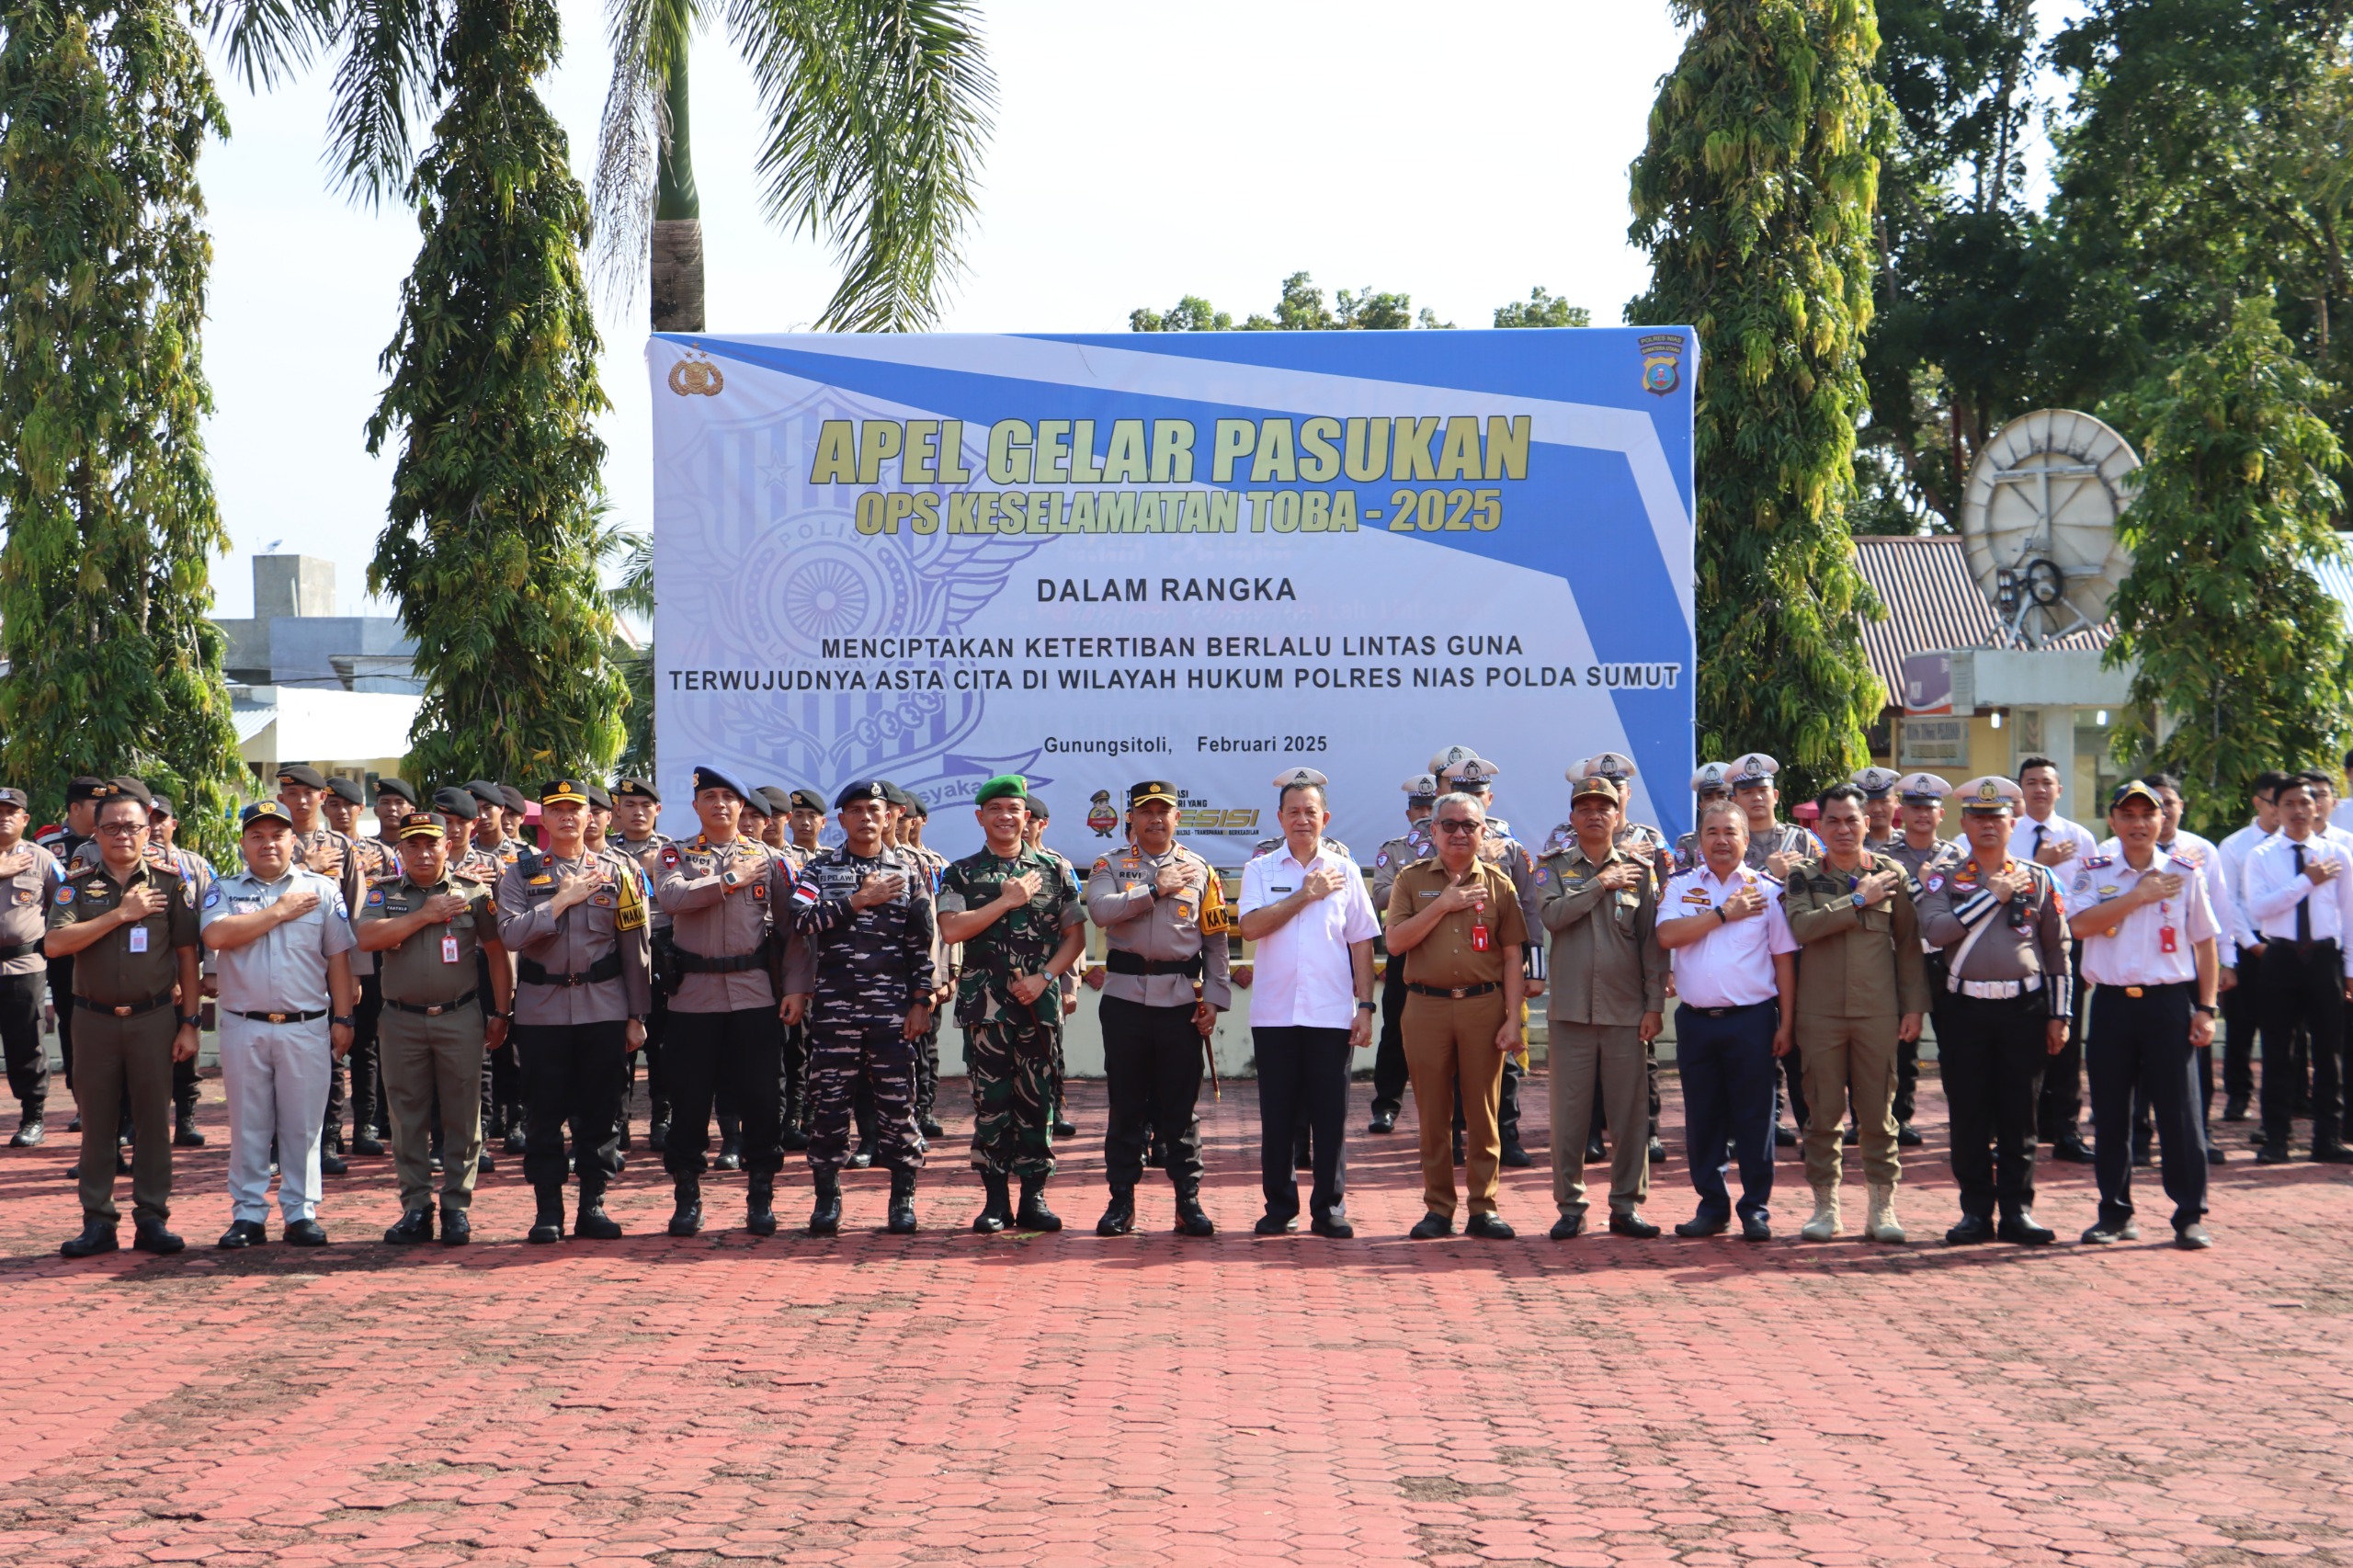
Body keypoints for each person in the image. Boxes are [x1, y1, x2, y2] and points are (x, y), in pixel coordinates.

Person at [48, 780, 202, 1256]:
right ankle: (98, 1221)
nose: (122, 835)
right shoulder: (76, 887)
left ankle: (152, 1218)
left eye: (132, 826)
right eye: (111, 827)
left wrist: (190, 1023)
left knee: (155, 1122)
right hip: (92, 1019)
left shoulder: (170, 884)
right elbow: (55, 945)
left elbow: (186, 957)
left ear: (147, 830)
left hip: (153, 1018)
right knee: (97, 1123)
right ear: (96, 834)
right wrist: (120, 914)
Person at [496, 779, 654, 1244]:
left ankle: (593, 1206)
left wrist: (637, 1014)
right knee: (543, 1113)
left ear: (592, 817)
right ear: (542, 819)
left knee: (600, 1110)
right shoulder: (520, 875)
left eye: (576, 809)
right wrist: (561, 900)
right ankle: (548, 1210)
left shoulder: (618, 872)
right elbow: (508, 935)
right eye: (557, 809)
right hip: (541, 1010)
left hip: (603, 1006)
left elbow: (635, 947)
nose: (567, 817)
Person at [1915, 778, 2069, 1245]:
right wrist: (1992, 895)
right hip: (1964, 1009)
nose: (1987, 825)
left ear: (2012, 823)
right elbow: (1935, 932)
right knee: (1969, 1113)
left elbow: (2058, 951)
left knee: (2020, 1115)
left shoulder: (2039, 878)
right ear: (1963, 823)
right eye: (1978, 817)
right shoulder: (1943, 877)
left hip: (2024, 1008)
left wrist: (2059, 1016)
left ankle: (2018, 1211)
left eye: (1996, 817)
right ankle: (1976, 1212)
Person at [2068, 780, 2220, 1248]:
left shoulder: (2184, 871)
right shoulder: (2093, 871)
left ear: (2162, 821)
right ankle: (2115, 1213)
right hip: (2113, 1003)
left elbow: (2205, 941)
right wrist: (2138, 895)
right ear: (2112, 821)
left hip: (2169, 1003)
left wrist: (2207, 1007)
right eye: (2128, 815)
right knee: (2112, 1113)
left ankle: (2189, 1214)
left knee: (2181, 1114)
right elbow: (2078, 925)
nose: (2138, 824)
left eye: (2147, 815)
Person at [201, 801, 358, 1248]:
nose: (268, 843)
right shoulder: (225, 890)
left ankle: (301, 1211)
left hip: (306, 1024)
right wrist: (280, 911)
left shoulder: (323, 890)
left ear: (294, 841)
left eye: (277, 835)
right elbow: (217, 936)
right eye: (258, 836)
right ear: (243, 844)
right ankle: (248, 1214)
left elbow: (339, 960)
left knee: (303, 1125)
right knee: (249, 1123)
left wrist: (344, 1018)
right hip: (243, 1023)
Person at [784, 780, 938, 1233]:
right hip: (835, 1009)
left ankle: (902, 1199)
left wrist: (920, 1001)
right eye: (856, 810)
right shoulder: (820, 868)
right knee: (829, 1104)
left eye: (874, 810)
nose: (866, 818)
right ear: (842, 820)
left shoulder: (910, 871)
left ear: (889, 816)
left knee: (898, 1103)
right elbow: (800, 919)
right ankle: (827, 1198)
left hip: (892, 1010)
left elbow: (921, 945)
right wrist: (858, 900)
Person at [937, 775, 1086, 1233]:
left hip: (1037, 1007)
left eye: (1013, 809)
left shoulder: (1055, 869)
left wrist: (1045, 978)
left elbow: (1075, 937)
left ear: (1027, 817)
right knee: (991, 1102)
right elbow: (952, 930)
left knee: (1038, 1100)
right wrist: (1006, 902)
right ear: (980, 817)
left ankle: (1034, 1197)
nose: (1005, 816)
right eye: (996, 808)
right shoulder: (960, 872)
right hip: (986, 1008)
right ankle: (995, 1199)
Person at [1781, 782, 1928, 1242]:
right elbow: (1802, 927)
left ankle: (1882, 1209)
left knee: (1878, 1113)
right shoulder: (1802, 876)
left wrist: (1914, 1009)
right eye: (1833, 821)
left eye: (1852, 819)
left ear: (1869, 822)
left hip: (1877, 1013)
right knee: (1822, 1114)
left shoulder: (1892, 875)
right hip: (1819, 1014)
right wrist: (1858, 900)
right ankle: (1826, 1208)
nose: (1843, 829)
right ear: (1819, 826)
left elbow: (1907, 948)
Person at [654, 767, 797, 1237]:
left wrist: (795, 988)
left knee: (761, 1098)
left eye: (729, 797)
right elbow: (673, 899)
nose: (719, 804)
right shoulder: (674, 854)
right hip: (693, 999)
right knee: (690, 1100)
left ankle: (760, 1196)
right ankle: (687, 1196)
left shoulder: (770, 859)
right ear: (695, 807)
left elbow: (791, 932)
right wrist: (730, 879)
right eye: (709, 796)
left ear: (743, 807)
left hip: (754, 994)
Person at [357, 810, 511, 1244]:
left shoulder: (475, 893)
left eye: (432, 844)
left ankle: (457, 1207)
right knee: (406, 1118)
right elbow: (367, 939)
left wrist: (501, 1012)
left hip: (460, 1016)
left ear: (448, 846)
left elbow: (498, 954)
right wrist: (425, 915)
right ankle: (416, 1207)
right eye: (413, 845)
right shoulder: (383, 893)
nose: (423, 853)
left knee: (464, 1115)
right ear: (400, 850)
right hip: (400, 1019)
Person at [1086, 780, 1230, 1238]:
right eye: (1145, 811)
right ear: (1131, 817)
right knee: (1125, 1104)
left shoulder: (1201, 870)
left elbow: (1216, 940)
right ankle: (1120, 1202)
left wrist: (1217, 1003)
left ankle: (1188, 1202)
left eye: (1162, 811)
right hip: (1126, 998)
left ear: (1176, 818)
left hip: (1181, 1002)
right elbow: (1101, 911)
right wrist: (1153, 888)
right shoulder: (1110, 865)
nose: (1154, 819)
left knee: (1180, 1106)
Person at [1239, 767, 1377, 1238]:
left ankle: (1329, 1208)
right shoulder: (1260, 869)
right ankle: (1279, 1206)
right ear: (1280, 818)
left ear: (1326, 817)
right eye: (1293, 812)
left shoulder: (1347, 871)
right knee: (1276, 1116)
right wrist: (1304, 896)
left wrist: (1366, 1006)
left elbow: (1361, 942)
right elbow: (1252, 928)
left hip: (1331, 1012)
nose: (1302, 819)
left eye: (1310, 812)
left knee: (1330, 1116)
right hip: (1275, 1013)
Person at [1654, 801, 1799, 1242]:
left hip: (1752, 1020)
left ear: (1745, 839)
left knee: (1755, 1118)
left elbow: (1784, 960)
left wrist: (1786, 1023)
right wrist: (1723, 914)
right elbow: (1666, 936)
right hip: (1697, 1021)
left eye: (1730, 832)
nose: (1721, 840)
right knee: (1703, 1117)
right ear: (1700, 840)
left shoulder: (1768, 890)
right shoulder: (1680, 886)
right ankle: (1712, 1206)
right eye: (1712, 832)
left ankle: (1755, 1209)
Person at [1536, 776, 1665, 1241]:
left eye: (1603, 807)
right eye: (1585, 807)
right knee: (1569, 1119)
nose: (1594, 814)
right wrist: (1599, 884)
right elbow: (1551, 917)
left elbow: (1652, 944)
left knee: (1629, 1118)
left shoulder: (1640, 869)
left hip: (1626, 1013)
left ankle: (1627, 1206)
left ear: (1617, 815)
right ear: (1572, 818)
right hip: (1570, 1013)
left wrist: (1654, 1006)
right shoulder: (1551, 868)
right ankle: (1570, 1206)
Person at [1431, 755, 1544, 1167]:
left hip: (1498, 972)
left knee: (1507, 1057)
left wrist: (1537, 970)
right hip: (1448, 970)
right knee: (1450, 1067)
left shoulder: (1512, 848)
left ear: (1489, 799)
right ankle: (1457, 1139)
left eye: (1478, 795)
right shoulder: (1434, 839)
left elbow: (1529, 911)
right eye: (1460, 792)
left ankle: (1507, 1134)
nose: (1470, 800)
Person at [2241, 776, 2353, 1165]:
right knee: (2278, 1051)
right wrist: (2307, 880)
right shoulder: (2262, 855)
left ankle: (2328, 1138)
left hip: (2325, 957)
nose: (2299, 810)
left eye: (2306, 802)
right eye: (2289, 804)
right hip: (2281, 957)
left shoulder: (2338, 853)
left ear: (2318, 807)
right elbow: (2260, 909)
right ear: (2276, 809)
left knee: (2329, 1051)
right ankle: (2276, 1138)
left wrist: (2350, 966)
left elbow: (2350, 915)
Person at [1726, 753, 1820, 1146]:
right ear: (1735, 799)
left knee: (1799, 1047)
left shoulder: (1803, 840)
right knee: (1746, 1049)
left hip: (1795, 958)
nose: (1756, 799)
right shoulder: (1724, 839)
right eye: (1747, 792)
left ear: (1776, 794)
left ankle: (1813, 1130)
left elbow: (1822, 890)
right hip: (1744, 957)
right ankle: (1747, 1130)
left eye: (1762, 791)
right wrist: (1771, 876)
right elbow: (1720, 900)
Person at [2147, 772, 2241, 1166]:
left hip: (2190, 969)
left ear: (2181, 807)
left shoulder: (2202, 851)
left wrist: (2228, 962)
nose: (2163, 811)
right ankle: (2139, 1138)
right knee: (2136, 1063)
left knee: (2196, 1059)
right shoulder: (2116, 852)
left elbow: (2221, 908)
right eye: (2155, 804)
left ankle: (2199, 1134)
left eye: (2169, 802)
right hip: (2146, 970)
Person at [2013, 755, 2101, 1164]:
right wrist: (2040, 865)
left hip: (2065, 946)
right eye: (2032, 782)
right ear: (2022, 789)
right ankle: (2022, 1130)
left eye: (2047, 782)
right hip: (2019, 948)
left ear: (2059, 789)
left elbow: (2092, 893)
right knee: (2025, 1039)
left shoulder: (2080, 836)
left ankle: (2066, 1129)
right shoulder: (2009, 833)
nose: (2040, 789)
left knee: (2066, 1038)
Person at [1878, 772, 1963, 1147]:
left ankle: (1963, 1118)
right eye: (1914, 807)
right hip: (1901, 958)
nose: (1922, 815)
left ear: (1941, 814)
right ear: (1902, 811)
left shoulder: (1958, 857)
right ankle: (1899, 1118)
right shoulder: (1884, 856)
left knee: (1957, 1043)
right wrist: (1922, 884)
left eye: (1929, 809)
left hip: (1946, 960)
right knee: (1900, 1045)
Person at [322, 776, 395, 1161]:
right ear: (325, 808)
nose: (340, 812)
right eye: (333, 805)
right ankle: (328, 1134)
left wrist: (357, 971)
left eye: (347, 806)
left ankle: (366, 1124)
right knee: (326, 1049)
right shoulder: (310, 849)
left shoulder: (381, 853)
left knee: (365, 1043)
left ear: (359, 809)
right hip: (316, 962)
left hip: (364, 960)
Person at [1368, 773, 1438, 1134]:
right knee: (1395, 1029)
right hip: (1407, 949)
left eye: (1431, 805)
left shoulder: (1458, 839)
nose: (1425, 814)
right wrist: (1413, 883)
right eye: (1419, 808)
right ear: (1409, 813)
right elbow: (1379, 897)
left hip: (1452, 951)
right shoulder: (1396, 850)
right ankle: (1386, 1106)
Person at [2215, 771, 2289, 1124]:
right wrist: (2252, 945)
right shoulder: (2234, 846)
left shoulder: (2300, 845)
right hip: (2249, 946)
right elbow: (2230, 903)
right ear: (2259, 803)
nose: (2283, 808)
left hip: (2290, 946)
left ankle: (2288, 1102)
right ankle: (2238, 1097)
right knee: (2241, 1028)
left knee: (2288, 1028)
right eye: (2277, 800)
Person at [608, 777, 676, 1152]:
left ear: (657, 810)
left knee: (663, 1045)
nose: (637, 812)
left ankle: (661, 1118)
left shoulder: (671, 852)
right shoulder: (606, 851)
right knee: (620, 1043)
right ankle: (618, 1124)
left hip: (662, 954)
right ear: (618, 810)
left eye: (645, 806)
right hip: (620, 957)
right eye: (630, 806)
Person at [38, 776, 107, 1114]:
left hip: (106, 948)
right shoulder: (48, 845)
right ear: (75, 808)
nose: (105, 811)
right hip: (66, 952)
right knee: (71, 1021)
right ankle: (81, 1098)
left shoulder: (115, 840)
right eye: (97, 805)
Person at [0, 789, 63, 1146]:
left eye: (13, 811)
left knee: (26, 1044)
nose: (4, 816)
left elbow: (64, 907)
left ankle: (32, 1118)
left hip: (23, 965)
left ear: (25, 819)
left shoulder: (42, 860)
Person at [1020, 794, 1083, 1140]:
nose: (1025, 826)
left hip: (1051, 976)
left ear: (1042, 824)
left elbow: (1074, 932)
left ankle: (1054, 1110)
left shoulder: (1058, 865)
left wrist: (1070, 986)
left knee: (1051, 1048)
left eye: (1032, 820)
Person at [1672, 761, 1733, 871]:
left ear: (1731, 801)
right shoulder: (1687, 843)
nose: (1715, 802)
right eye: (1709, 797)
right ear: (1701, 805)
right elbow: (1682, 883)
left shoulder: (1743, 837)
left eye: (1721, 796)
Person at [1851, 767, 1903, 852]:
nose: (1877, 809)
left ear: (1896, 802)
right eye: (1869, 802)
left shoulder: (1909, 844)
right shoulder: (1850, 844)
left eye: (1884, 802)